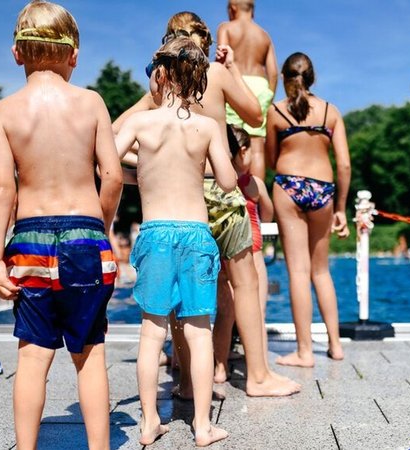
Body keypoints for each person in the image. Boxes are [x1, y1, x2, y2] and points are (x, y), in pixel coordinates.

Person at [114, 12, 299, 398]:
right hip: (218, 186)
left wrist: (143, 163)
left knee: (181, 290)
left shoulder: (160, 84)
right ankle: (259, 377)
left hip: (177, 195)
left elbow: (114, 136)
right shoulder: (213, 73)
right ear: (205, 43)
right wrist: (229, 69)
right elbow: (254, 113)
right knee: (244, 283)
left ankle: (184, 380)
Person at [0, 2, 123, 449]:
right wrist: (98, 226)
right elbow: (114, 175)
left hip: (30, 240)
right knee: (90, 354)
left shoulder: (4, 112)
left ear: (16, 53)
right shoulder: (91, 102)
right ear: (74, 56)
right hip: (86, 235)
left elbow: (2, 189)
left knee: (32, 356)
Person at [115, 36, 231, 447]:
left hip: (155, 232)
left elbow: (108, 164)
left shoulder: (141, 123)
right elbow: (228, 179)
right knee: (199, 332)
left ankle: (149, 423)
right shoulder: (207, 127)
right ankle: (202, 427)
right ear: (198, 79)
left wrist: (142, 173)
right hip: (196, 234)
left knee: (152, 333)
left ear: (159, 74)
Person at [266, 52, 351, 367]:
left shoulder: (275, 113)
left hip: (289, 186)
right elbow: (343, 164)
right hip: (323, 189)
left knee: (298, 272)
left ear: (285, 79)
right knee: (321, 271)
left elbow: (271, 159)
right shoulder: (331, 112)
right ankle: (336, 345)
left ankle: (304, 352)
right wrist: (340, 206)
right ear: (312, 78)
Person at [213, 126, 273, 382]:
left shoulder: (216, 181)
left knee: (225, 312)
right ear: (245, 151)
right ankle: (260, 368)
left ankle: (220, 367)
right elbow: (268, 213)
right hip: (251, 249)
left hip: (221, 248)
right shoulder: (252, 183)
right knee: (256, 311)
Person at [217, 0, 278, 179]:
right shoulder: (264, 35)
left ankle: (229, 190)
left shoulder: (226, 28)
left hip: (236, 83)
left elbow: (222, 62)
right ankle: (255, 199)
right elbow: (273, 73)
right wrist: (267, 98)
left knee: (230, 138)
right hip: (260, 87)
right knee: (257, 148)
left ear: (233, 8)